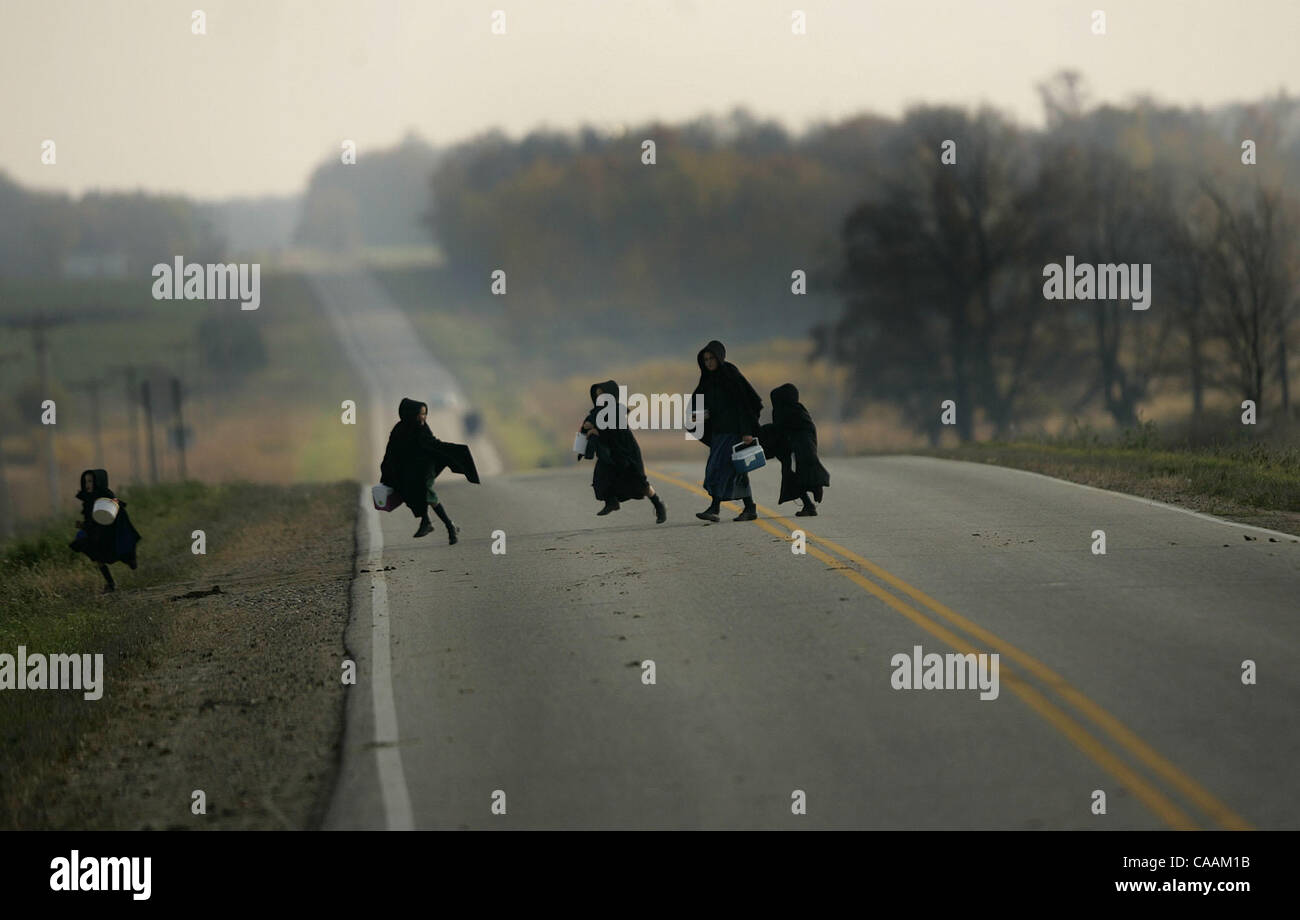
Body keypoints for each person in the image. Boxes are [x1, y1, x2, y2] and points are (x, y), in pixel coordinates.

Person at [380, 397, 480, 542]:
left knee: (427, 493)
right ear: (410, 413)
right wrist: (387, 468)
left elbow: (431, 443)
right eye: (420, 414)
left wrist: (451, 450)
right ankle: (427, 522)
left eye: (425, 414)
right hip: (409, 470)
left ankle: (449, 526)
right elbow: (392, 451)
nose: (423, 417)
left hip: (425, 468)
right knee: (411, 494)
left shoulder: (422, 428)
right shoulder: (399, 430)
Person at [690, 340, 763, 522]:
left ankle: (715, 508)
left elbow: (744, 404)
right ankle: (750, 507)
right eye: (705, 359)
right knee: (735, 470)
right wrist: (697, 415)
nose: (708, 363)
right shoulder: (707, 379)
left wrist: (747, 431)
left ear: (719, 358)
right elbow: (700, 402)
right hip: (718, 432)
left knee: (719, 468)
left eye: (712, 358)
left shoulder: (730, 375)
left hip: (734, 431)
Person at [579, 380, 667, 522]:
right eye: (598, 396)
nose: (600, 399)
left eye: (604, 396)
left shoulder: (617, 411)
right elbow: (586, 429)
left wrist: (596, 430)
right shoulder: (596, 413)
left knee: (639, 482)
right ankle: (611, 502)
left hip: (626, 452)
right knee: (601, 479)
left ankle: (658, 505)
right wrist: (586, 428)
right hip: (608, 454)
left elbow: (614, 433)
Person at [760, 383, 831, 516]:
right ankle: (809, 505)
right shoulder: (797, 411)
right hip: (792, 453)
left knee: (795, 478)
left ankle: (812, 496)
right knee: (792, 479)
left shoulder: (788, 412)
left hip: (798, 453)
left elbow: (779, 430)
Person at [69, 469, 141, 593]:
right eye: (86, 482)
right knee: (90, 548)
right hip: (97, 534)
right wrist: (84, 526)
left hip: (111, 534)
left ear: (98, 482)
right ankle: (110, 583)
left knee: (122, 551)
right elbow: (92, 521)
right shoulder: (88, 500)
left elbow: (112, 518)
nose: (87, 485)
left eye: (90, 481)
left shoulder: (107, 496)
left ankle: (130, 559)